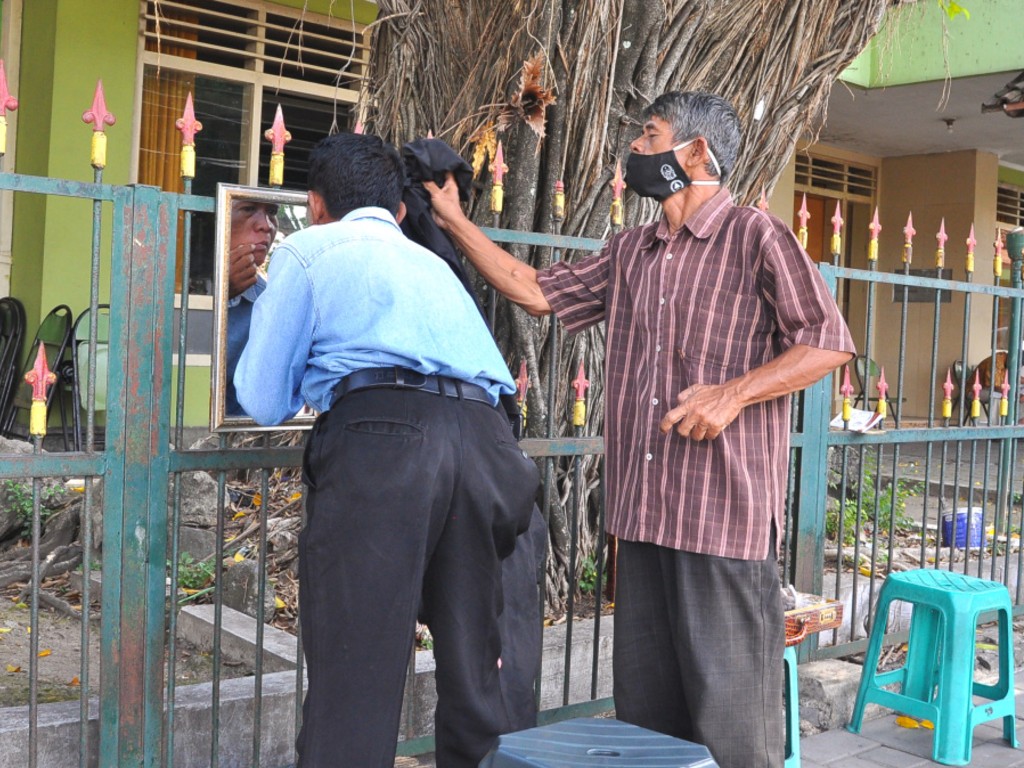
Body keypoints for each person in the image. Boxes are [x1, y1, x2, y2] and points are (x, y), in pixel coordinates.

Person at [426, 91, 856, 768]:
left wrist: (732, 394)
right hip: (642, 523)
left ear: (696, 154)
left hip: (723, 530)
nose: (636, 151)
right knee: (649, 733)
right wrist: (452, 219)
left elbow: (828, 341)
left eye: (650, 136)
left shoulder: (756, 236)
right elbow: (536, 290)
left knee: (735, 738)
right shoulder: (631, 251)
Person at [234, 133, 541, 768]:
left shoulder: (310, 248)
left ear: (316, 204)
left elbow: (263, 398)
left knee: (357, 669)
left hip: (386, 440)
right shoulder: (432, 264)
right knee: (474, 667)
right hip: (488, 446)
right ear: (399, 211)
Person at [224, 198, 278, 417]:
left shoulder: (266, 297)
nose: (266, 225)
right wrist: (223, 296)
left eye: (272, 212)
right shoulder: (178, 284)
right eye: (248, 209)